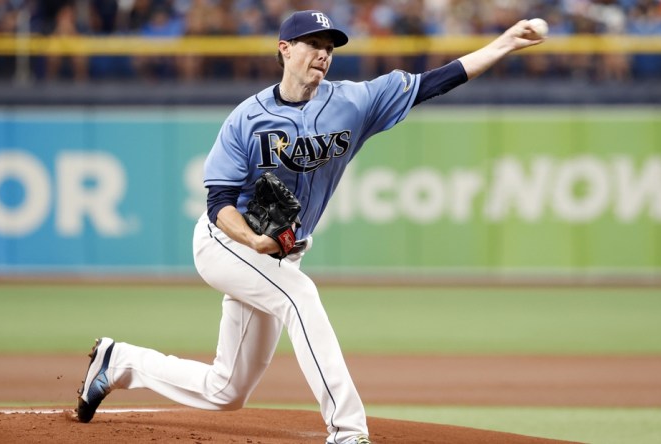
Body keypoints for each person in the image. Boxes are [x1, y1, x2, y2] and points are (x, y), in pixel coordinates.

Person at [75, 10, 545, 444]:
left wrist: (502, 44)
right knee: (299, 296)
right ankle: (347, 429)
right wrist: (251, 238)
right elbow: (218, 201)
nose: (322, 53)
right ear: (284, 48)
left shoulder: (354, 102)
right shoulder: (246, 118)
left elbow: (434, 82)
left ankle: (120, 362)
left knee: (227, 390)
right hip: (225, 244)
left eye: (330, 46)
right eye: (311, 43)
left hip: (281, 253)